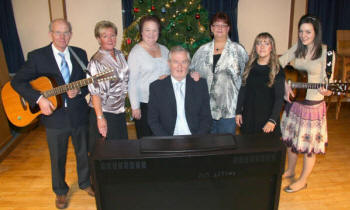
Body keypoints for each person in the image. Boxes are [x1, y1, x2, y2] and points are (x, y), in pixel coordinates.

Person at [11, 19, 93, 209]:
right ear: (51, 34)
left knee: (83, 151)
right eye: (58, 33)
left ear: (71, 34)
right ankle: (60, 191)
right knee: (58, 156)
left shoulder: (79, 53)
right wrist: (39, 99)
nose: (62, 37)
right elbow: (18, 82)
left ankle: (85, 183)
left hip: (79, 112)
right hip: (54, 117)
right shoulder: (38, 56)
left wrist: (80, 91)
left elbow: (88, 81)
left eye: (66, 33)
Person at [279, 14, 332, 193]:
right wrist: (285, 84)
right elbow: (278, 64)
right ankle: (290, 170)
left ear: (316, 32)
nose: (303, 35)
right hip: (295, 102)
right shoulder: (297, 48)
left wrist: (327, 90)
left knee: (309, 147)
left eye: (308, 32)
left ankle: (302, 180)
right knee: (291, 140)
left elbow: (329, 82)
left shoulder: (327, 52)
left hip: (312, 106)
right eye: (301, 31)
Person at [190, 12, 248, 135]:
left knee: (226, 147)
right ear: (211, 28)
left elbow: (248, 76)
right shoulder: (202, 51)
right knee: (207, 147)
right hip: (205, 109)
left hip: (229, 110)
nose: (220, 28)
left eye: (224, 25)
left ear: (228, 28)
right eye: (216, 25)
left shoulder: (238, 51)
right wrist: (192, 74)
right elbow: (190, 69)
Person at [148, 46, 212, 136]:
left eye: (184, 62)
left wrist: (197, 139)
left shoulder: (200, 84)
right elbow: (153, 120)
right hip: (168, 139)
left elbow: (206, 118)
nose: (180, 66)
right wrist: (167, 141)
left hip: (196, 138)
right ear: (169, 63)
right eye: (175, 62)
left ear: (189, 64)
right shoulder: (157, 87)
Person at [87, 20, 129, 153]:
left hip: (119, 111)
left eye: (113, 35)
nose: (110, 39)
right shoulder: (96, 62)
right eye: (105, 36)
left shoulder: (120, 54)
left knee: (121, 150)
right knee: (106, 153)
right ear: (99, 39)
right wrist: (100, 118)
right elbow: (95, 93)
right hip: (104, 112)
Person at [128, 15, 169, 139]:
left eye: (155, 30)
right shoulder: (136, 53)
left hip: (164, 103)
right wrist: (135, 107)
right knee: (147, 141)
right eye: (147, 30)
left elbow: (173, 71)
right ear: (141, 32)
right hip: (145, 104)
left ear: (159, 32)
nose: (151, 34)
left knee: (162, 139)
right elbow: (132, 82)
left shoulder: (165, 49)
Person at [236, 32, 285, 135]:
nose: (262, 47)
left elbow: (279, 98)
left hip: (267, 119)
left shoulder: (277, 70)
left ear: (271, 47)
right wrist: (238, 112)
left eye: (266, 43)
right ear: (255, 47)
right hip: (249, 117)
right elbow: (243, 91)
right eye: (259, 43)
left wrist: (272, 120)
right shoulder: (249, 66)